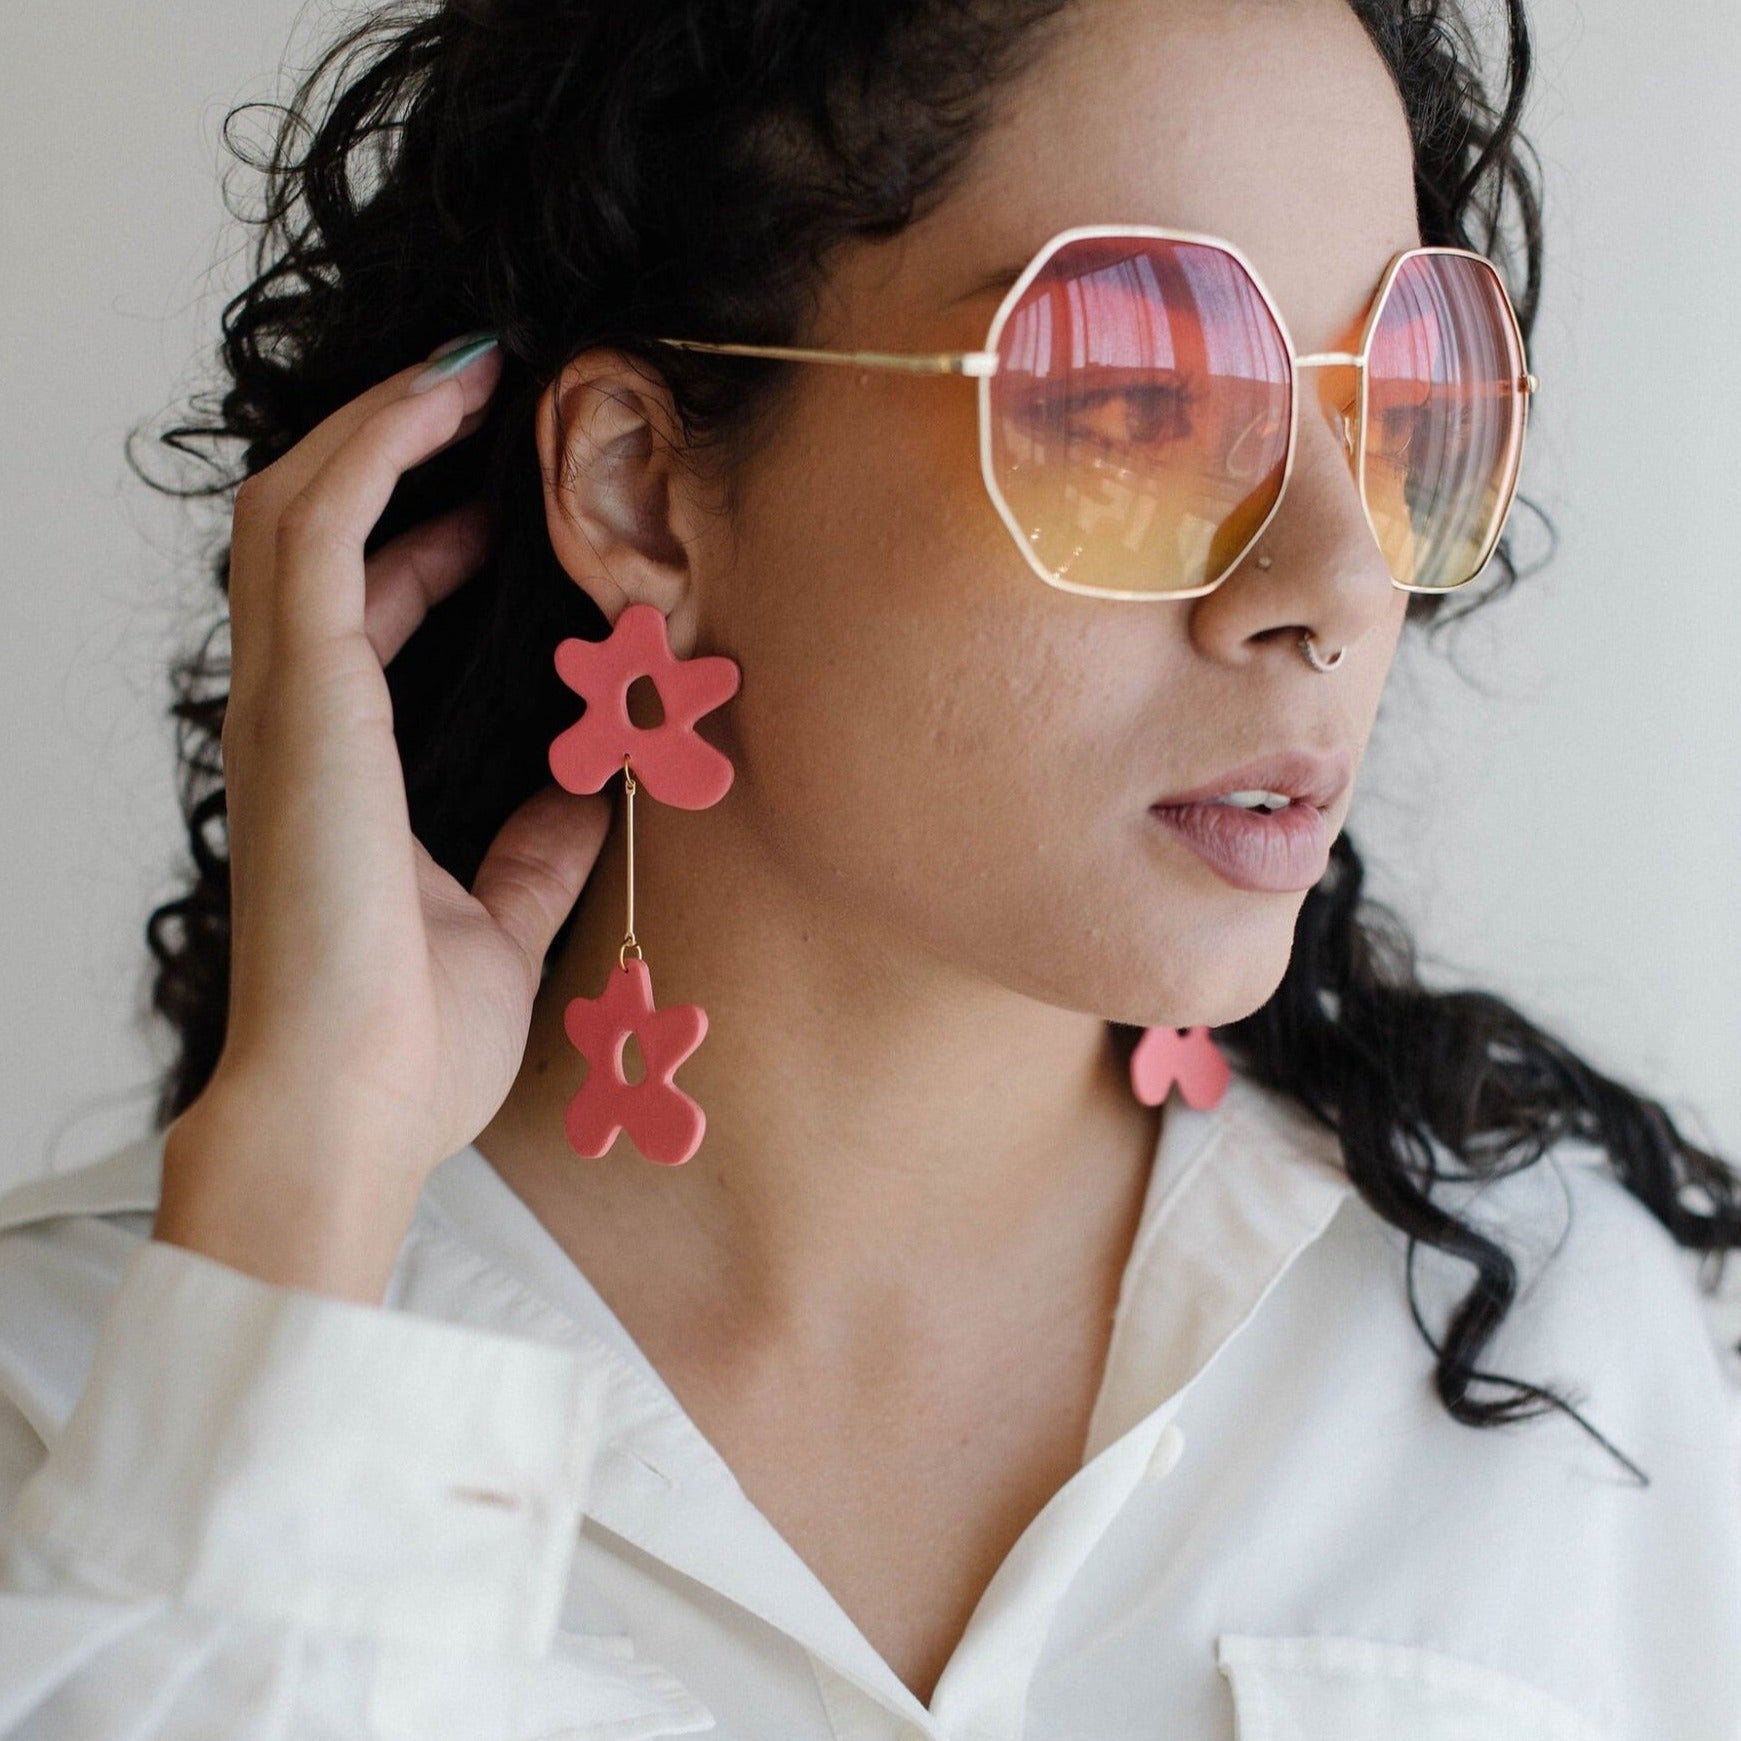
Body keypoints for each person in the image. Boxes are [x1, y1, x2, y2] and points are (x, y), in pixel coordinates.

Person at [2, 0, 1737, 1735]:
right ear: (643, 495)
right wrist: (309, 1183)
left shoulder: (1553, 1367)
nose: (1339, 586)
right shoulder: (57, 1408)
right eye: (1135, 399)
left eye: (1399, 399)